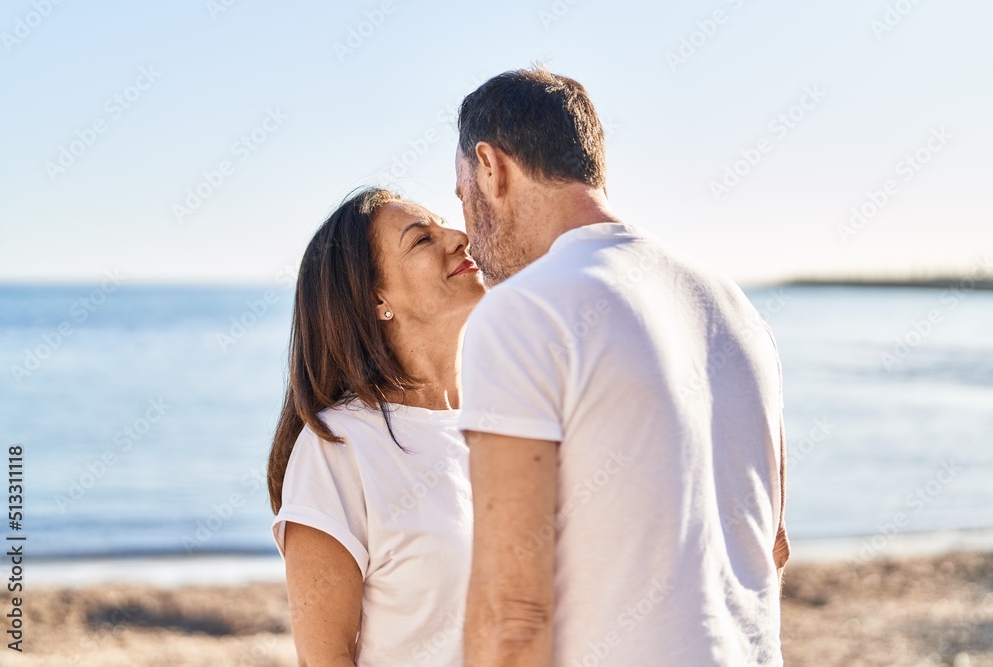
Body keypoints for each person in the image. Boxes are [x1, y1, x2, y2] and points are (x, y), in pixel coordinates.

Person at [455, 68, 790, 666]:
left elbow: (513, 616)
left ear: (490, 166)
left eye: (462, 196)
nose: (470, 244)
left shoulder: (524, 313)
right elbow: (773, 547)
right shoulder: (734, 306)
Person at [266, 187, 485, 666]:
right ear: (376, 298)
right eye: (422, 240)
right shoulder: (338, 447)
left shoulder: (500, 424)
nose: (459, 237)